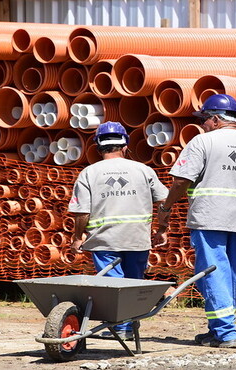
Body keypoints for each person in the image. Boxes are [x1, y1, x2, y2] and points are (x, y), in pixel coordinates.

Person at [157, 94, 236, 349]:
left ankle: (225, 332)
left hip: (210, 216)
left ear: (214, 119)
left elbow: (181, 181)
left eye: (204, 120)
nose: (202, 125)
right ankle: (219, 328)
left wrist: (166, 207)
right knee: (230, 272)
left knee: (212, 272)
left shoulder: (203, 142)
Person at [68, 120, 168, 340]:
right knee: (133, 283)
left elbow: (82, 212)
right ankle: (130, 328)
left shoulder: (89, 173)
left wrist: (77, 237)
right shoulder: (143, 170)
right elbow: (164, 201)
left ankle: (119, 328)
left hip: (105, 241)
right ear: (125, 145)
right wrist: (162, 228)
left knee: (113, 284)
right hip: (137, 239)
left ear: (97, 146)